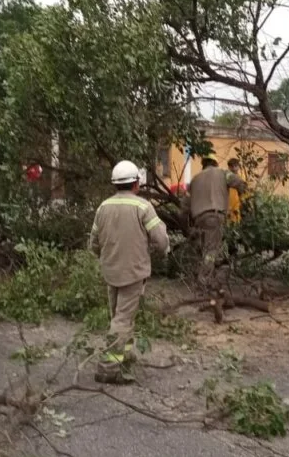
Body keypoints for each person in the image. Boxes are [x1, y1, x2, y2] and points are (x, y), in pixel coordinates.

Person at [89, 160, 170, 384]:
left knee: (118, 315)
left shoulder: (103, 207)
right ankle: (108, 367)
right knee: (123, 320)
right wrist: (162, 250)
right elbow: (160, 239)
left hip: (110, 270)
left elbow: (93, 243)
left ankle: (123, 354)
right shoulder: (143, 207)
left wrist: (105, 257)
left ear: (115, 184)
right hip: (133, 272)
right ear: (136, 183)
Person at [187, 152, 247, 289]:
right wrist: (244, 193)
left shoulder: (195, 179)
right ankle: (203, 280)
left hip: (198, 218)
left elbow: (186, 203)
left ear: (203, 165)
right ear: (215, 163)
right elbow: (238, 182)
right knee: (211, 250)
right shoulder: (223, 173)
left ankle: (204, 274)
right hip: (214, 216)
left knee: (204, 248)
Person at [226, 158, 248, 224]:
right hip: (228, 205)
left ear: (238, 166)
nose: (234, 168)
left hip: (237, 206)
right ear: (229, 167)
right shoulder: (226, 177)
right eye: (231, 166)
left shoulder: (242, 177)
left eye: (235, 166)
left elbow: (244, 192)